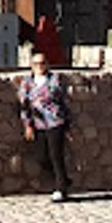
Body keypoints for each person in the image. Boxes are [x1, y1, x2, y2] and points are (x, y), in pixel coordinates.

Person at [18, 53, 73, 202]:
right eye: (36, 64)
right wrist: (27, 125)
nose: (39, 66)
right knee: (41, 157)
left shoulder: (54, 80)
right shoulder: (27, 83)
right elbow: (24, 106)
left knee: (56, 155)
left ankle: (61, 188)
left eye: (42, 63)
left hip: (55, 122)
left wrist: (68, 122)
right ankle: (63, 180)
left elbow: (64, 101)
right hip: (38, 123)